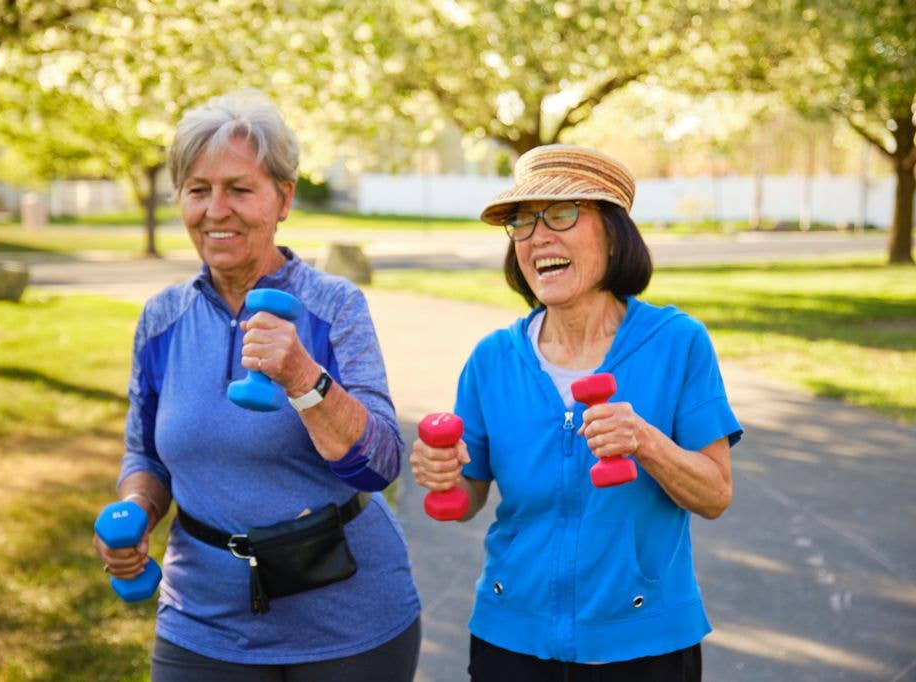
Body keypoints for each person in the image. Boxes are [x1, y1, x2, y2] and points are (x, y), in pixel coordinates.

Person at [93, 89, 420, 681]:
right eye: (198, 190)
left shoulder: (332, 307)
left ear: (284, 198)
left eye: (240, 189)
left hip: (348, 624)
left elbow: (381, 463)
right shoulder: (161, 319)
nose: (217, 210)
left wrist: (302, 376)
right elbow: (146, 452)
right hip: (202, 620)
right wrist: (137, 509)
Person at [410, 144, 743, 681]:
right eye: (521, 221)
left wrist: (644, 441)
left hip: (644, 644)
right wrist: (442, 472)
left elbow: (715, 495)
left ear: (613, 233)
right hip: (510, 639)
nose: (538, 236)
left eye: (562, 214)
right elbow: (467, 496)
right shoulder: (492, 359)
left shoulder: (677, 343)